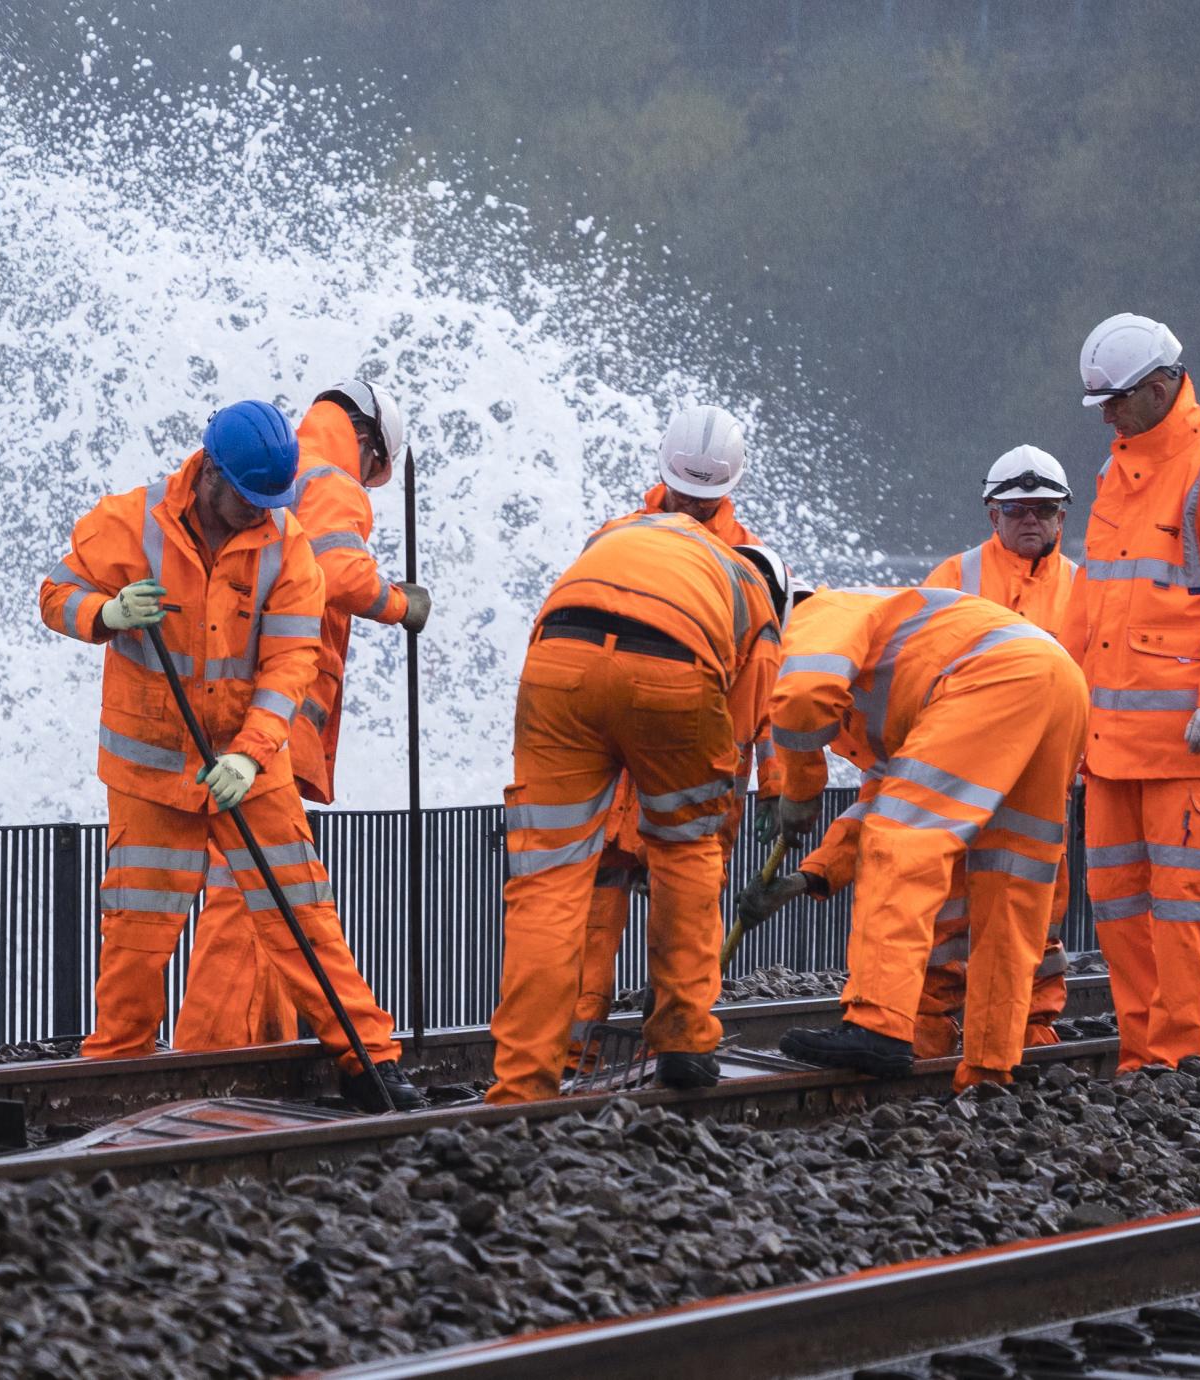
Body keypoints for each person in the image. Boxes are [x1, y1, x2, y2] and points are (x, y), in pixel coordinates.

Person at [38, 400, 423, 1113]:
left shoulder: (288, 545)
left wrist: (249, 756)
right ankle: (112, 1076)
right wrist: (105, 614)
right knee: (137, 931)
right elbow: (55, 595)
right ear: (210, 473)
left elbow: (291, 663)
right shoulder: (130, 521)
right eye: (250, 501)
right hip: (153, 775)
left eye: (271, 504)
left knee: (304, 918)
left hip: (250, 772)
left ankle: (369, 1060)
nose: (260, 516)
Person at [487, 494, 785, 1104]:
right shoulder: (755, 601)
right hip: (671, 676)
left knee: (546, 879)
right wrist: (701, 828)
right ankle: (683, 1036)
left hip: (556, 661)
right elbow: (738, 736)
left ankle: (521, 1083)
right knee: (687, 854)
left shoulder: (624, 530)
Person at [171, 380, 430, 1052]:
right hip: (285, 710)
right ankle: (213, 1050)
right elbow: (338, 569)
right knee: (255, 884)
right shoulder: (334, 481)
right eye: (378, 472)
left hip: (232, 700)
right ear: (368, 442)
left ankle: (265, 1038)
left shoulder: (286, 465)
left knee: (258, 885)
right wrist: (400, 602)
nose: (371, 487)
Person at [1062, 313, 1200, 1072]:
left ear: (1159, 389)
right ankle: (1139, 1054)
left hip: (1192, 743)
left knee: (1183, 907)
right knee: (1120, 908)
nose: (1109, 417)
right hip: (1114, 746)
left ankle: (1180, 1061)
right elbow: (1094, 605)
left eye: (1116, 402)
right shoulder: (1117, 473)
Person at [770, 586, 1088, 1091]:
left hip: (992, 678)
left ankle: (878, 1023)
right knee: (1012, 880)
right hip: (1057, 680)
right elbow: (891, 790)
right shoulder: (898, 647)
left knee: (899, 845)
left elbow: (803, 696)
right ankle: (990, 1063)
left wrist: (799, 787)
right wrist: (818, 870)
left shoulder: (816, 614)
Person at [565, 405, 770, 1068]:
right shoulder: (623, 538)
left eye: (702, 496)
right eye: (686, 491)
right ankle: (569, 1061)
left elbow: (747, 707)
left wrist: (729, 813)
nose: (692, 504)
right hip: (619, 781)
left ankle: (675, 1047)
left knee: (685, 925)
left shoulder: (748, 562)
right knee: (591, 929)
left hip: (687, 781)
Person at [905, 446, 1081, 1056]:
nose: (1030, 520)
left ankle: (1030, 1024)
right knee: (947, 907)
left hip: (1042, 779)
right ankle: (931, 1024)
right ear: (992, 513)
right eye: (1016, 509)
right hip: (962, 771)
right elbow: (916, 663)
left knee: (1037, 910)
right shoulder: (955, 577)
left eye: (1043, 510)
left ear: (1062, 517)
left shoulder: (1084, 588)